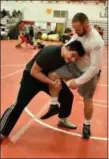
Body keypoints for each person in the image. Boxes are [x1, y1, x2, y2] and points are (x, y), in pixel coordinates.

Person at [0, 41, 85, 142]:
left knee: (67, 97)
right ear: (68, 48)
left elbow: (56, 72)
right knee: (19, 104)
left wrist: (58, 79)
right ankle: (2, 131)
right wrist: (51, 82)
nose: (73, 59)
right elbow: (34, 72)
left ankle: (62, 119)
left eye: (76, 58)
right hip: (32, 77)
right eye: (73, 55)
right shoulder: (50, 52)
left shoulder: (66, 58)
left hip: (47, 76)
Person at [41, 13, 104, 139]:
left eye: (78, 29)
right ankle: (54, 105)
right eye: (74, 29)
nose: (75, 32)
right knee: (52, 75)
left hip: (88, 72)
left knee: (88, 99)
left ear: (86, 26)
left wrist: (78, 82)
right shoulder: (77, 33)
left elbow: (95, 68)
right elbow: (67, 45)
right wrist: (63, 50)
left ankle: (87, 125)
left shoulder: (97, 41)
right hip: (74, 66)